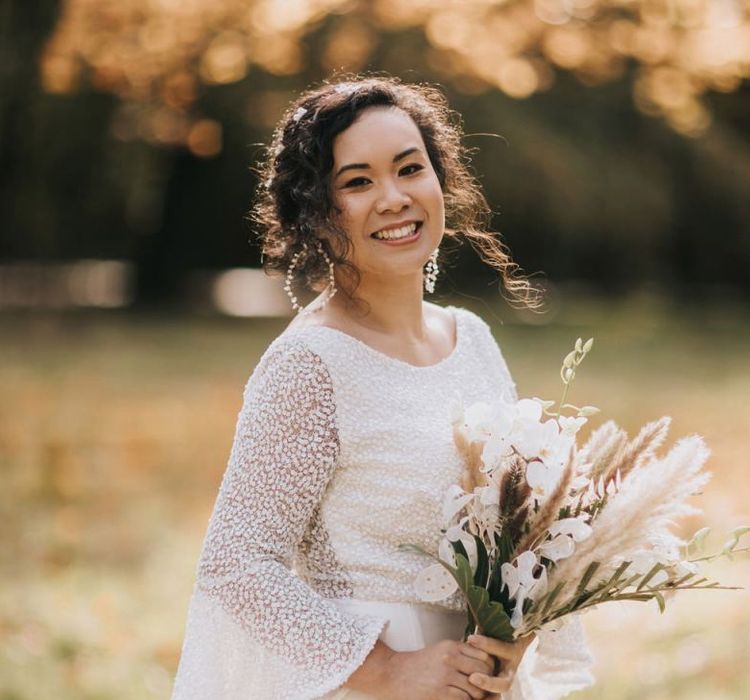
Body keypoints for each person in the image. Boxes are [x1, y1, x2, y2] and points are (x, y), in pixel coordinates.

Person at [170, 76, 594, 700]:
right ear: (317, 209)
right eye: (358, 181)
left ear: (439, 180)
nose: (393, 198)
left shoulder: (471, 338)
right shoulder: (311, 365)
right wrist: (387, 670)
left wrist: (513, 635)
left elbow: (518, 520)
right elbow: (237, 563)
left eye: (409, 168)